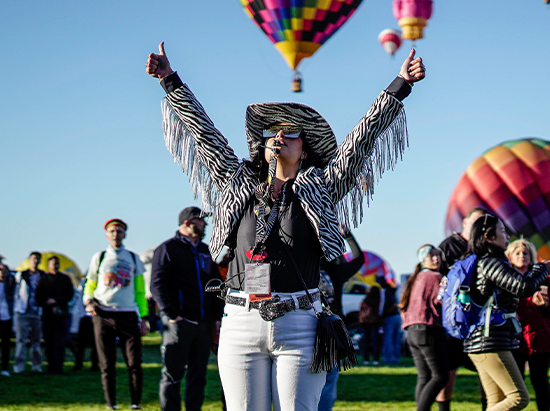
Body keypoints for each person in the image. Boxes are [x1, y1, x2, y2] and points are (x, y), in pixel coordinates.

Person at [146, 41, 424, 410]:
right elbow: (204, 133)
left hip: (300, 323)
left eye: (290, 132)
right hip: (241, 320)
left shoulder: (321, 186)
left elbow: (360, 140)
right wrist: (169, 80)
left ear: (305, 149)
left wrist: (400, 85)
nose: (278, 136)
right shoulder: (236, 180)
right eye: (271, 132)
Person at [463, 212, 550, 411]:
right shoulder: (491, 262)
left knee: (496, 402)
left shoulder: (480, 261)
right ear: (489, 237)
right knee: (518, 398)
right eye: (502, 231)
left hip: (480, 341)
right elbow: (523, 287)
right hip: (490, 341)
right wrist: (542, 269)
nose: (507, 236)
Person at [150, 206, 224, 411]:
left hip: (203, 324)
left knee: (198, 375)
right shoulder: (167, 249)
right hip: (178, 323)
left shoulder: (206, 251)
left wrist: (217, 316)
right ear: (188, 223)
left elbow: (216, 285)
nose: (205, 224)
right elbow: (156, 285)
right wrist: (173, 314)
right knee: (172, 375)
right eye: (201, 220)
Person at [85, 219, 149, 410]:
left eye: (119, 231)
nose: (116, 235)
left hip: (128, 314)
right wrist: (88, 300)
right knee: (107, 364)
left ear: (124, 235)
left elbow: (140, 290)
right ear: (107, 235)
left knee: (134, 363)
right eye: (112, 231)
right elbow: (90, 284)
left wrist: (144, 317)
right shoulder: (100, 257)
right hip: (103, 314)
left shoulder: (133, 258)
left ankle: (135, 403)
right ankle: (110, 404)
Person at [438, 207, 488, 410]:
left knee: (486, 368)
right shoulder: (448, 246)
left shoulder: (486, 247)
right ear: (465, 223)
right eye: (475, 221)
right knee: (448, 369)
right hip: (454, 319)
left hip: (478, 319)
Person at [506, 239, 550, 411]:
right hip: (513, 337)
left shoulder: (543, 278)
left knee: (540, 380)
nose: (522, 256)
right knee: (515, 384)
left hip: (539, 337)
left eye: (526, 253)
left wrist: (545, 306)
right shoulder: (505, 278)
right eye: (518, 253)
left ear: (532, 256)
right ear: (510, 256)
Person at [317, 231, 365, 410]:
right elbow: (358, 260)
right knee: (328, 379)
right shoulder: (335, 272)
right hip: (330, 327)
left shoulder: (301, 268)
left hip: (306, 325)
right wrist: (348, 236)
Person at [400, 244, 448, 411]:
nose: (436, 259)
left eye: (438, 255)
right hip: (428, 329)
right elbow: (442, 300)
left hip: (412, 331)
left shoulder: (415, 278)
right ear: (423, 259)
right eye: (431, 256)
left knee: (424, 376)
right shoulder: (436, 277)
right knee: (441, 376)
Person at [35, 255, 74, 374]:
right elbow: (38, 297)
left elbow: (69, 295)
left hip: (61, 315)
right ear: (48, 265)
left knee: (60, 342)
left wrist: (57, 302)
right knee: (49, 342)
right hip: (48, 316)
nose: (55, 266)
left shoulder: (65, 279)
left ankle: (59, 366)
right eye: (53, 264)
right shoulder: (43, 280)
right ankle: (50, 366)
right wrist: (48, 304)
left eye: (57, 264)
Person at [13, 251, 44, 374]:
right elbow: (15, 292)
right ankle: (19, 367)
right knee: (21, 340)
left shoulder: (43, 275)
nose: (35, 261)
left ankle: (36, 366)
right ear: (29, 260)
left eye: (37, 259)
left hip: (37, 312)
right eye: (33, 258)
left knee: (36, 341)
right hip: (22, 312)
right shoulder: (22, 275)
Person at [379, 275, 403, 366]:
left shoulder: (384, 292)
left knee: (388, 338)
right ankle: (396, 358)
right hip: (397, 316)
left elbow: (382, 306)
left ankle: (389, 358)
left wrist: (380, 315)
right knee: (396, 338)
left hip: (389, 316)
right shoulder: (395, 291)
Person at [359, 285, 384, 365]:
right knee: (375, 340)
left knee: (366, 340)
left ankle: (366, 358)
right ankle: (375, 359)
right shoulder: (378, 300)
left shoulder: (366, 300)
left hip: (365, 322)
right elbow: (379, 311)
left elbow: (361, 309)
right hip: (375, 322)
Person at [0, 263, 14, 376]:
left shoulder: (10, 284)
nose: (2, 273)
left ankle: (5, 368)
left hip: (7, 317)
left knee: (6, 344)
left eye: (4, 270)